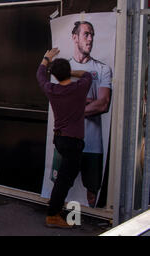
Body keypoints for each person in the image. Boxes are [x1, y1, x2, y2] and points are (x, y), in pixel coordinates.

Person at [37, 48, 92, 228]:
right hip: (73, 141)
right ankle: (53, 215)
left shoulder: (52, 89)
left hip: (60, 140)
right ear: (68, 72)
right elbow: (87, 74)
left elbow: (40, 75)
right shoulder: (79, 88)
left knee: (64, 176)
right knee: (64, 179)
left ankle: (55, 205)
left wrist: (46, 59)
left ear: (55, 75)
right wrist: (71, 72)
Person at [68, 21, 112, 207]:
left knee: (93, 192)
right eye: (86, 34)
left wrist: (74, 108)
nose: (90, 39)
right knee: (60, 185)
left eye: (92, 35)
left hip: (93, 145)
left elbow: (103, 104)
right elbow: (60, 105)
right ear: (75, 37)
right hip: (67, 141)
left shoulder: (103, 69)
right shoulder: (63, 68)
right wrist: (88, 103)